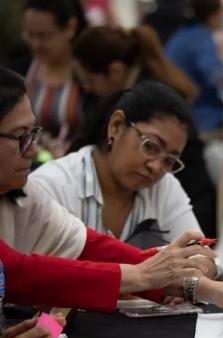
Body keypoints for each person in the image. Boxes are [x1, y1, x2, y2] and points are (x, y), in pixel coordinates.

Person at [0, 66, 223, 313]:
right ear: (116, 126)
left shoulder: (25, 195)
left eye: (169, 160)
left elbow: (86, 245)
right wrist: (142, 275)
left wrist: (214, 288)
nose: (34, 150)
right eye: (20, 137)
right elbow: (16, 272)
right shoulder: (52, 183)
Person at [32, 81, 201, 247]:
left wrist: (204, 266)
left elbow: (203, 256)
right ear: (116, 126)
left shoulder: (164, 188)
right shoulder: (52, 187)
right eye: (150, 146)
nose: (156, 167)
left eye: (169, 160)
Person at [22, 0, 88, 154]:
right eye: (30, 34)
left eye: (44, 36)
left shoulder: (90, 74)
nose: (36, 44)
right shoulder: (23, 70)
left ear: (70, 27)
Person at [72, 25, 197, 101]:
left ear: (115, 71)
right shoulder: (147, 77)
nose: (87, 88)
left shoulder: (145, 100)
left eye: (90, 81)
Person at [165, 0, 223, 135]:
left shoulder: (182, 34)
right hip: (202, 115)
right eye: (222, 13)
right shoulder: (201, 39)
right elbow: (216, 75)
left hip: (178, 111)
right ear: (212, 16)